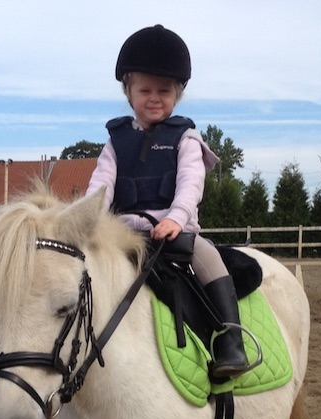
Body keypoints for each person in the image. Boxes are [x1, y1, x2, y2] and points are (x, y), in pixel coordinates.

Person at [86, 24, 249, 379]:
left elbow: (191, 183)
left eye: (164, 91)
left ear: (177, 94)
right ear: (129, 92)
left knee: (208, 256)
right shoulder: (115, 143)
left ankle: (231, 341)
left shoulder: (186, 138)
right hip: (122, 236)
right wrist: (90, 219)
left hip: (174, 234)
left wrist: (176, 218)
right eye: (145, 90)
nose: (154, 98)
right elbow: (101, 185)